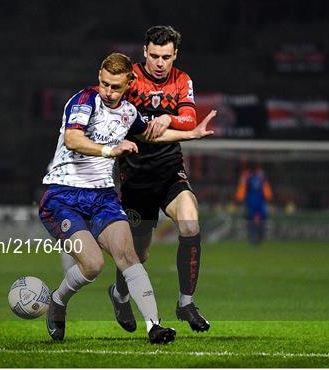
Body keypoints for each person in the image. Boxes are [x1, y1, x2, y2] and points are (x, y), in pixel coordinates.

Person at [39, 52, 215, 343]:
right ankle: (58, 301)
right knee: (93, 265)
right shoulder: (84, 101)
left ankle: (154, 326)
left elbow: (150, 135)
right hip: (63, 196)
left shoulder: (128, 112)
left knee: (130, 255)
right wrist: (111, 150)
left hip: (103, 197)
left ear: (128, 85)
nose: (108, 92)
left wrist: (192, 134)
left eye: (115, 87)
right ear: (99, 77)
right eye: (105, 84)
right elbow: (73, 139)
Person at [108, 25, 211, 334]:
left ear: (175, 55)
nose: (160, 63)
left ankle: (185, 303)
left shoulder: (183, 80)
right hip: (136, 175)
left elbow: (190, 119)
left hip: (169, 169)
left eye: (166, 56)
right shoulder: (129, 79)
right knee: (138, 254)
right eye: (154, 55)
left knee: (190, 223)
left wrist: (169, 118)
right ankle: (120, 294)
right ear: (144, 52)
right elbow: (114, 118)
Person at [235, 163, 273, 245]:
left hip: (255, 204)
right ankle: (256, 238)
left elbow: (241, 195)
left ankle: (256, 238)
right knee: (254, 222)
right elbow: (268, 195)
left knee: (254, 222)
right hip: (255, 204)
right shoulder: (253, 178)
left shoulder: (251, 178)